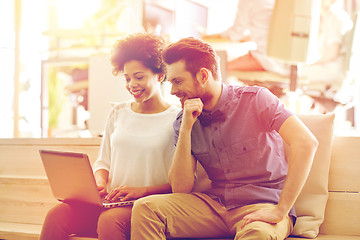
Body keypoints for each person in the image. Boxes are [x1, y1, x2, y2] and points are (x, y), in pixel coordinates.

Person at [130, 37, 319, 240]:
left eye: (178, 81)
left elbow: (306, 143)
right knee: (146, 208)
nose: (173, 91)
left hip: (262, 207)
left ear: (203, 76)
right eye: (171, 83)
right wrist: (185, 129)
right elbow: (180, 188)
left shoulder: (256, 100)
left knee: (258, 235)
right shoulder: (183, 120)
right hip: (214, 206)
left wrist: (281, 210)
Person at [39, 33, 180, 240]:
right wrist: (99, 184)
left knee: (109, 220)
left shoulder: (177, 118)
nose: (131, 84)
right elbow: (103, 162)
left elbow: (183, 181)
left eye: (139, 77)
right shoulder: (118, 112)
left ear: (160, 75)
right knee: (57, 215)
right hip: (111, 202)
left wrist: (142, 191)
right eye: (127, 78)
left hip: (147, 205)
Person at [202, 0, 290, 75]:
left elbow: (236, 33)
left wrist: (208, 37)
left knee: (215, 70)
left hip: (266, 61)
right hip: (287, 63)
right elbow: (269, 30)